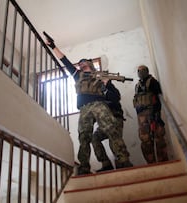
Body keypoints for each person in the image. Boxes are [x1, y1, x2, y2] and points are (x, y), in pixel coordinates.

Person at [45, 37, 133, 175]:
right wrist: (53, 46)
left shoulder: (100, 76)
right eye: (80, 64)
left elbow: (115, 97)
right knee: (84, 137)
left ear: (91, 65)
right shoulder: (77, 75)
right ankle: (84, 167)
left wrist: (105, 84)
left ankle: (123, 159)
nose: (81, 65)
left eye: (84, 63)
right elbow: (65, 61)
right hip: (84, 108)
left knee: (111, 129)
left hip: (99, 104)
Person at [133, 65, 169, 164]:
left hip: (153, 113)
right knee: (145, 141)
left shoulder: (153, 82)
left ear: (147, 71)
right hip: (141, 118)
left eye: (142, 70)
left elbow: (158, 98)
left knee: (159, 138)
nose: (140, 72)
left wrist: (157, 114)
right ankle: (151, 162)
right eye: (139, 71)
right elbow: (136, 102)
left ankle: (163, 161)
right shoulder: (137, 86)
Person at [91, 80, 127, 172]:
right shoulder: (95, 93)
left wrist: (107, 87)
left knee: (113, 142)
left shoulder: (110, 87)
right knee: (94, 137)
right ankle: (106, 164)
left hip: (115, 119)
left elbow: (116, 99)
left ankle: (123, 162)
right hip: (103, 123)